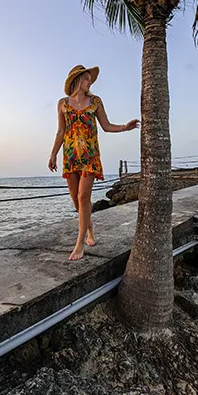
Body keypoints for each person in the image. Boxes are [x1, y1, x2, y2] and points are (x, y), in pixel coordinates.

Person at [48, 64, 139, 261]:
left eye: (90, 79)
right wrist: (53, 154)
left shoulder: (95, 101)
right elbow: (61, 132)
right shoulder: (62, 103)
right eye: (87, 78)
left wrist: (125, 127)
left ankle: (80, 243)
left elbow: (106, 126)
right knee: (75, 199)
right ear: (78, 80)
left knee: (83, 197)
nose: (90, 82)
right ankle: (89, 226)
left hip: (89, 156)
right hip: (70, 156)